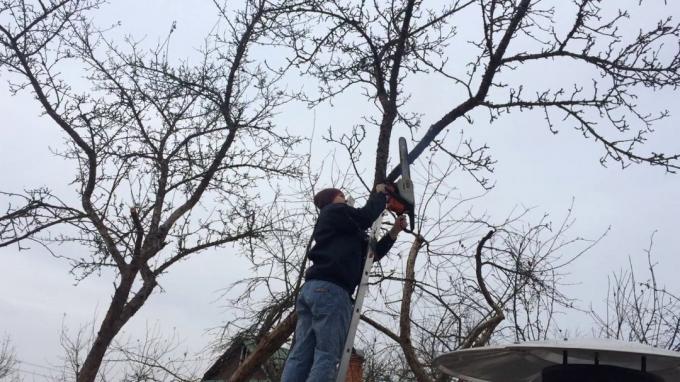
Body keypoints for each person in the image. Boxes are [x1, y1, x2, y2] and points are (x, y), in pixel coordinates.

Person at [281, 185, 407, 382]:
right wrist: (382, 194)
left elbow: (371, 256)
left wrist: (393, 233)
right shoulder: (334, 211)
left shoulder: (343, 230)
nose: (345, 199)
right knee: (327, 354)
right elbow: (365, 216)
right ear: (334, 198)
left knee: (300, 355)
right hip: (332, 290)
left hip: (313, 290)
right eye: (341, 196)